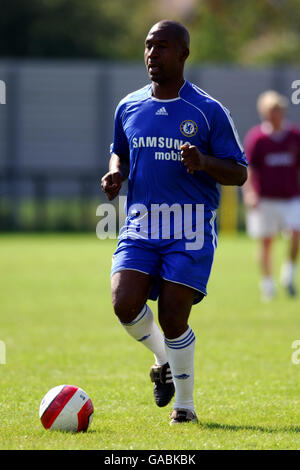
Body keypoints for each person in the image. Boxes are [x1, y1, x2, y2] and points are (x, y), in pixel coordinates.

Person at [101, 20, 247, 424]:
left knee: (172, 315)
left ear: (183, 54)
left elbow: (239, 172)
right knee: (123, 303)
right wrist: (115, 172)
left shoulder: (208, 111)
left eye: (162, 47)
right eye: (149, 46)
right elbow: (119, 151)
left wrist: (204, 162)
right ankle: (163, 358)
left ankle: (185, 407)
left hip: (190, 227)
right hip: (141, 223)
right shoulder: (128, 106)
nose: (152, 54)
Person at [243, 90, 300, 301]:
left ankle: (289, 274)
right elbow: (249, 168)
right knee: (266, 242)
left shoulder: (294, 136)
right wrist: (250, 193)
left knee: (295, 234)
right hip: (266, 198)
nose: (275, 114)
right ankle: (267, 284)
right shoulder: (257, 138)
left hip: (291, 197)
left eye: (278, 110)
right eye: (270, 110)